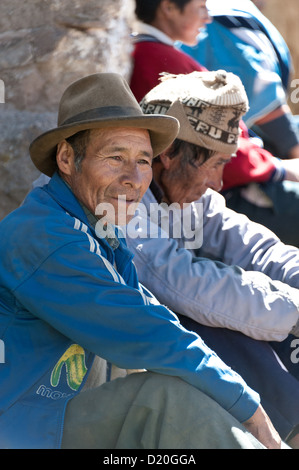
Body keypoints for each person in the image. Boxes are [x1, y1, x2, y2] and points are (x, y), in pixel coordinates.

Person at [0, 72, 281, 450]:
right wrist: (251, 409)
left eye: (143, 161)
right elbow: (144, 331)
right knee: (163, 400)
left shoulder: (99, 230)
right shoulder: (45, 236)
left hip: (54, 415)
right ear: (67, 158)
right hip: (24, 424)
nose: (134, 179)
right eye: (116, 158)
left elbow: (155, 316)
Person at [125, 70, 299, 448]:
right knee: (218, 320)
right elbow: (183, 283)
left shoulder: (187, 193)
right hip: (97, 368)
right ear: (169, 154)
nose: (219, 183)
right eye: (216, 164)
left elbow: (256, 248)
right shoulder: (121, 195)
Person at [129, 0, 299, 247]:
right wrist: (280, 169)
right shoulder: (162, 61)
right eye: (200, 7)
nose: (208, 17)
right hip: (228, 188)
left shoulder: (154, 54)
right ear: (168, 7)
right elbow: (217, 152)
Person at [179, 0, 299, 160]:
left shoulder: (224, 12)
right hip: (214, 148)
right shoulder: (219, 20)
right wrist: (293, 148)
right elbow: (259, 90)